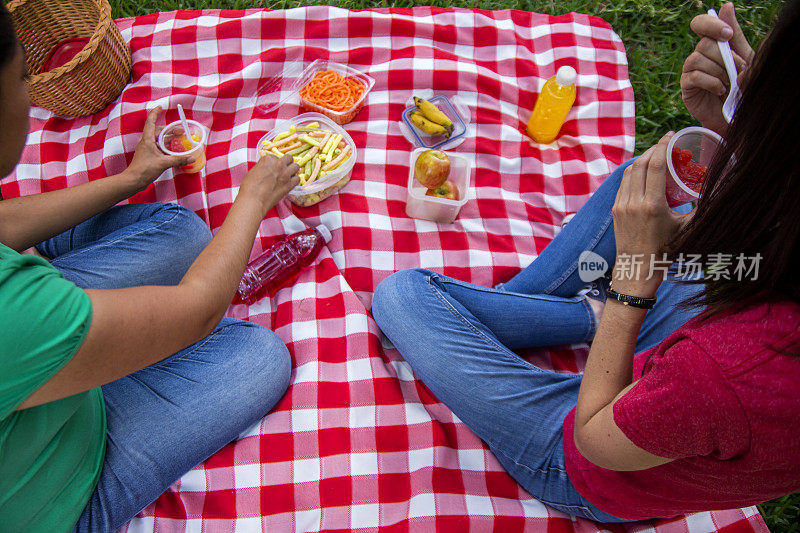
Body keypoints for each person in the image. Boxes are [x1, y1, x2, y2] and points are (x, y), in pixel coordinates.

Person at [373, 1, 799, 523]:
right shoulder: (769, 284)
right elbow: (754, 243)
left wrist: (632, 287)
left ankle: (581, 317)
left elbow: (595, 438)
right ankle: (538, 313)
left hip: (588, 458)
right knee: (648, 184)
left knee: (402, 296)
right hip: (691, 356)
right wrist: (740, 120)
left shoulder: (731, 370)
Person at [0, 4, 301, 531]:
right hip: (57, 486)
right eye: (24, 81)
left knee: (182, 231)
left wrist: (129, 179)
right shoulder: (15, 316)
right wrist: (254, 197)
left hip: (29, 365)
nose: (30, 98)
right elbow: (199, 311)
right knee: (258, 357)